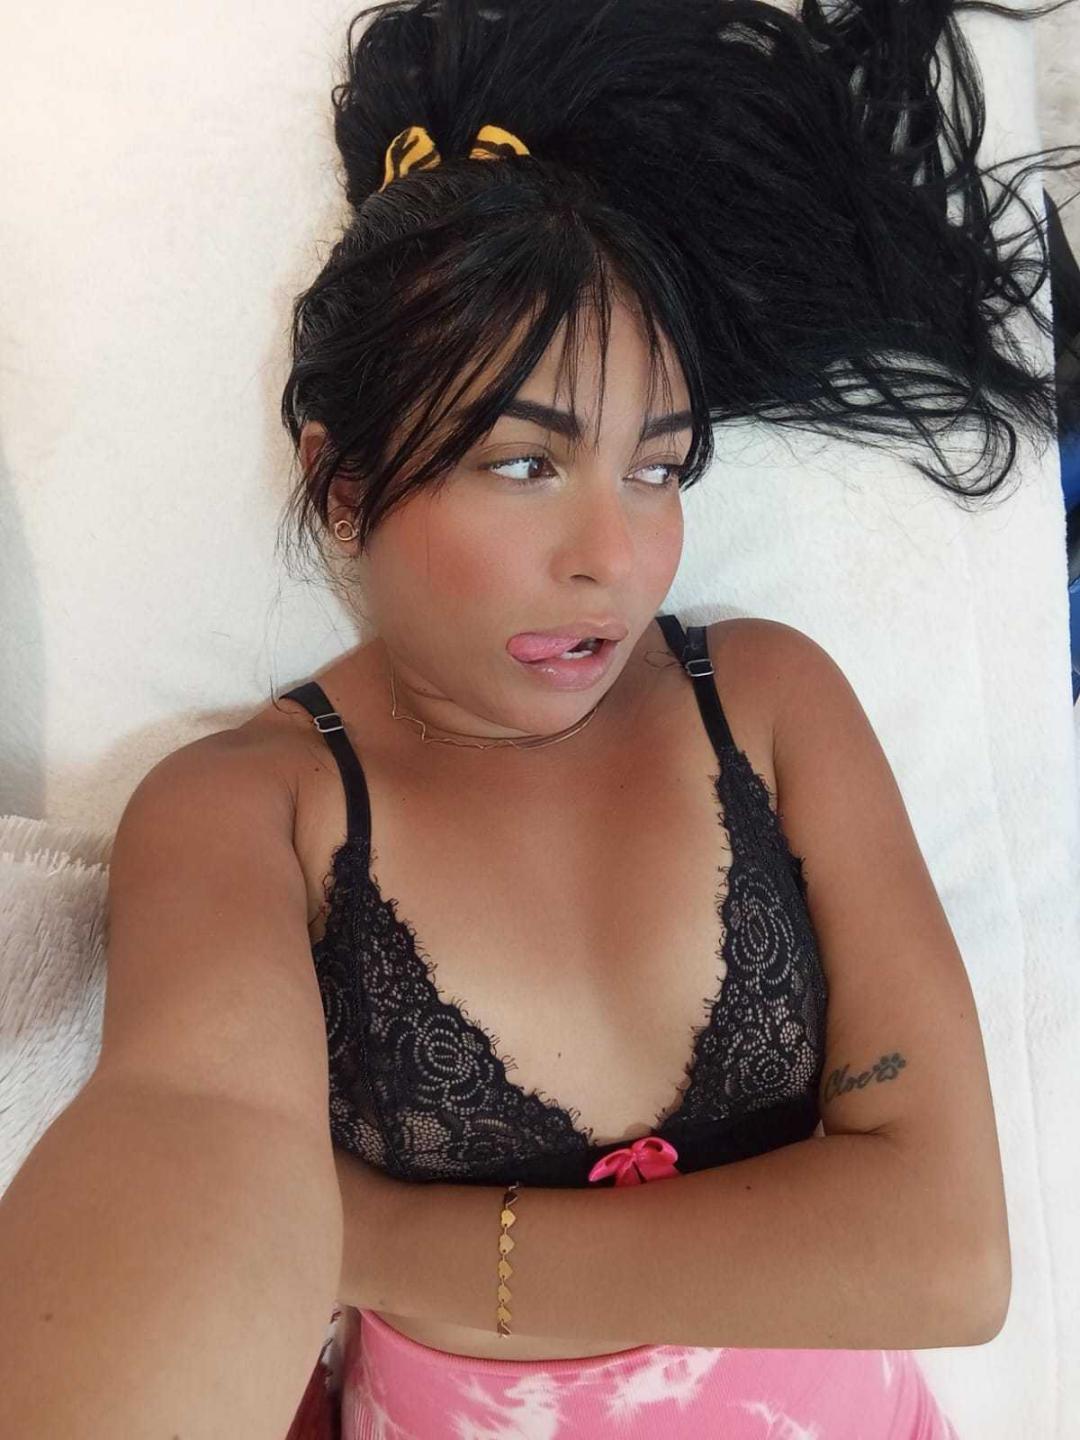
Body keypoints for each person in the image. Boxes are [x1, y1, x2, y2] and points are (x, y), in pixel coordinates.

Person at [2, 0, 1077, 1436]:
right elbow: (187, 1133)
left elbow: (948, 1259)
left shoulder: (766, 702)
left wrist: (384, 1236)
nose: (613, 559)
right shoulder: (250, 809)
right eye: (525, 466)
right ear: (341, 484)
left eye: (659, 469)